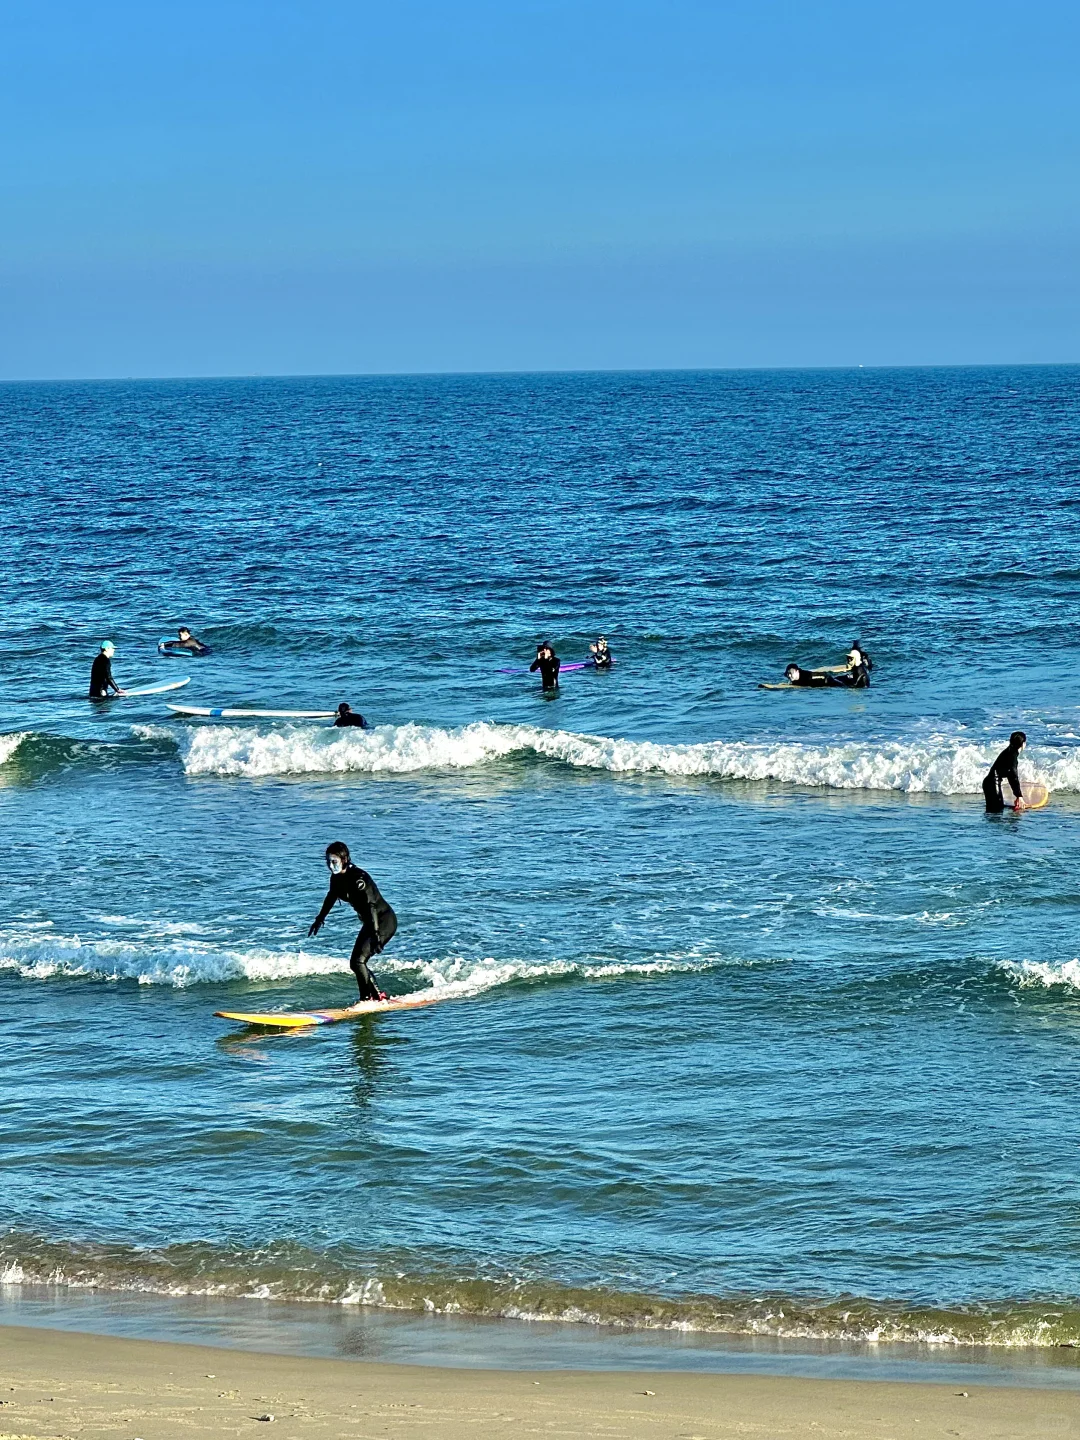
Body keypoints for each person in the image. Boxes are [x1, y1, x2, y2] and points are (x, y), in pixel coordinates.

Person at [307, 842, 397, 1001]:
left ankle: (366, 998)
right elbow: (331, 896)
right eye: (328, 861)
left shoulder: (359, 879)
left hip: (383, 921)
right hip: (370, 923)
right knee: (356, 963)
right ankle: (377, 996)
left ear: (345, 859)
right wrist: (319, 919)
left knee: (358, 961)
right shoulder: (335, 879)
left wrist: (376, 935)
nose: (330, 865)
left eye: (334, 862)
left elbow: (371, 907)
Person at [983, 731, 1028, 813]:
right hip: (992, 783)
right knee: (996, 812)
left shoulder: (1009, 751)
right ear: (1023, 744)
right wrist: (1019, 796)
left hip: (990, 782)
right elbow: (1013, 776)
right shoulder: (1012, 756)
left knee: (995, 811)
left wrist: (1017, 795)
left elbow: (1011, 777)